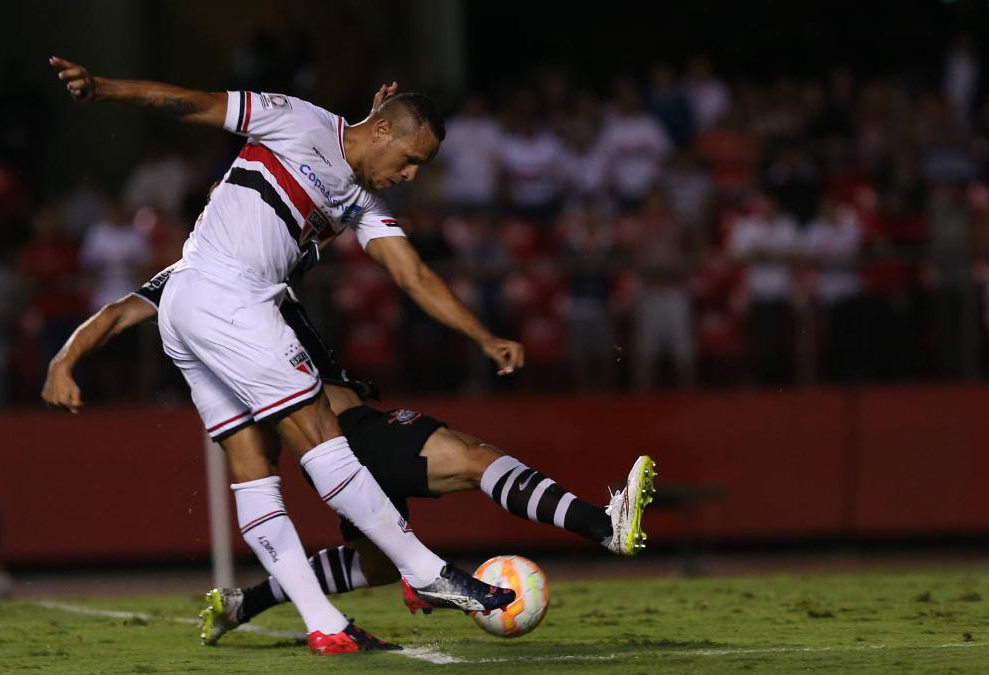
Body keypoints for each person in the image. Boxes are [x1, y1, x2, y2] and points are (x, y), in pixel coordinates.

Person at [49, 57, 522, 654]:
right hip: (229, 296)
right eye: (408, 160)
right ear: (380, 131)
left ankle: (324, 622)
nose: (408, 175)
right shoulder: (296, 120)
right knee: (322, 433)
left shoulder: (356, 196)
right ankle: (425, 570)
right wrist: (106, 88)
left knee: (255, 467)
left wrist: (481, 336)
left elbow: (413, 273)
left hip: (193, 305)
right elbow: (193, 101)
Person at [40, 267, 656, 646]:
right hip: (345, 427)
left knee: (377, 565)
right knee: (475, 458)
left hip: (325, 438)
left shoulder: (248, 255)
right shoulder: (198, 277)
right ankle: (606, 527)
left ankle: (243, 603)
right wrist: (64, 360)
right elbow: (117, 313)